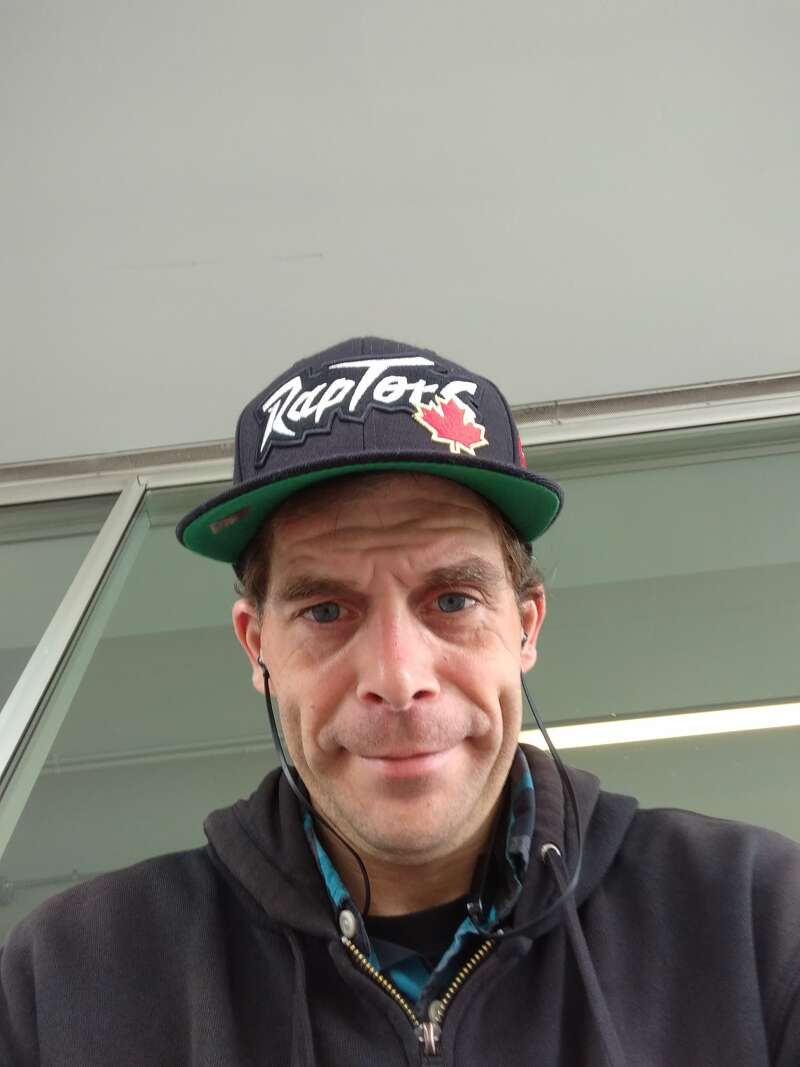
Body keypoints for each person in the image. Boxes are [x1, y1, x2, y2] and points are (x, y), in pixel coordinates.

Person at [1, 336, 799, 1066]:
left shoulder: (756, 921)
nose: (397, 673)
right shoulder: (64, 984)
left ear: (525, 626)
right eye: (325, 610)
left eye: (452, 600)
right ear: (257, 647)